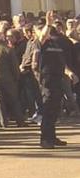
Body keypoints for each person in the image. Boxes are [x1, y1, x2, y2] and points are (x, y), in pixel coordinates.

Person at [35, 12, 74, 149]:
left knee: (55, 109)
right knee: (48, 109)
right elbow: (42, 36)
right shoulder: (41, 43)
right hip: (47, 80)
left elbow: (62, 62)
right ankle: (45, 139)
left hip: (58, 79)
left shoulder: (57, 44)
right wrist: (48, 23)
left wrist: (69, 72)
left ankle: (52, 136)